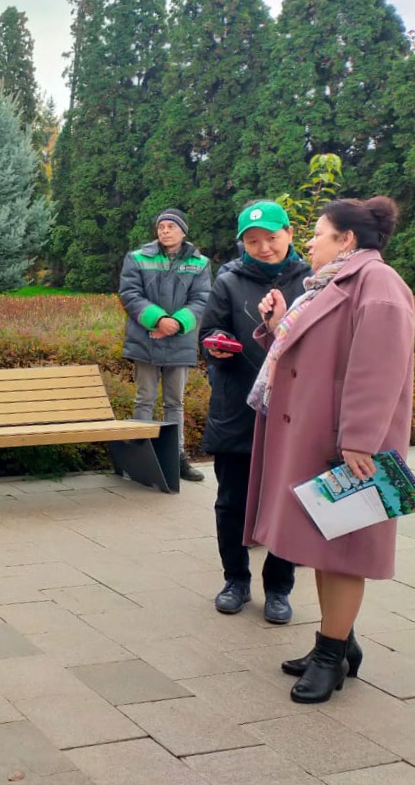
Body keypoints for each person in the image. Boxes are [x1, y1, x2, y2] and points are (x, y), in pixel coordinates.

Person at [245, 197, 414, 704]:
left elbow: (379, 369)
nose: (311, 241)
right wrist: (278, 323)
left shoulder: (378, 284)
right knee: (326, 543)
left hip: (350, 447)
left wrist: (359, 438)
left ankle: (330, 656)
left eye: (319, 233)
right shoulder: (333, 282)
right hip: (323, 436)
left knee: (343, 554)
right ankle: (340, 643)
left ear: (347, 239)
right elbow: (317, 353)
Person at [200, 202, 309, 623]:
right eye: (252, 241)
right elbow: (210, 330)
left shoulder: (311, 280)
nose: (264, 247)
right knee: (231, 501)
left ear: (289, 234)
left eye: (271, 238)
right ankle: (235, 580)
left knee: (287, 501)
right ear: (242, 243)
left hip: (292, 409)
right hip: (238, 405)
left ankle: (279, 587)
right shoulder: (228, 281)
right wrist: (217, 344)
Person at [119, 208, 211, 481]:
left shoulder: (199, 263)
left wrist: (177, 323)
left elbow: (202, 298)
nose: (165, 231)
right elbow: (129, 294)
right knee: (144, 398)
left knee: (175, 402)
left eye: (171, 226)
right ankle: (140, 457)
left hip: (180, 340)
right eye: (161, 227)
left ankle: (176, 457)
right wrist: (158, 320)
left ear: (183, 231)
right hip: (145, 339)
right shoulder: (137, 258)